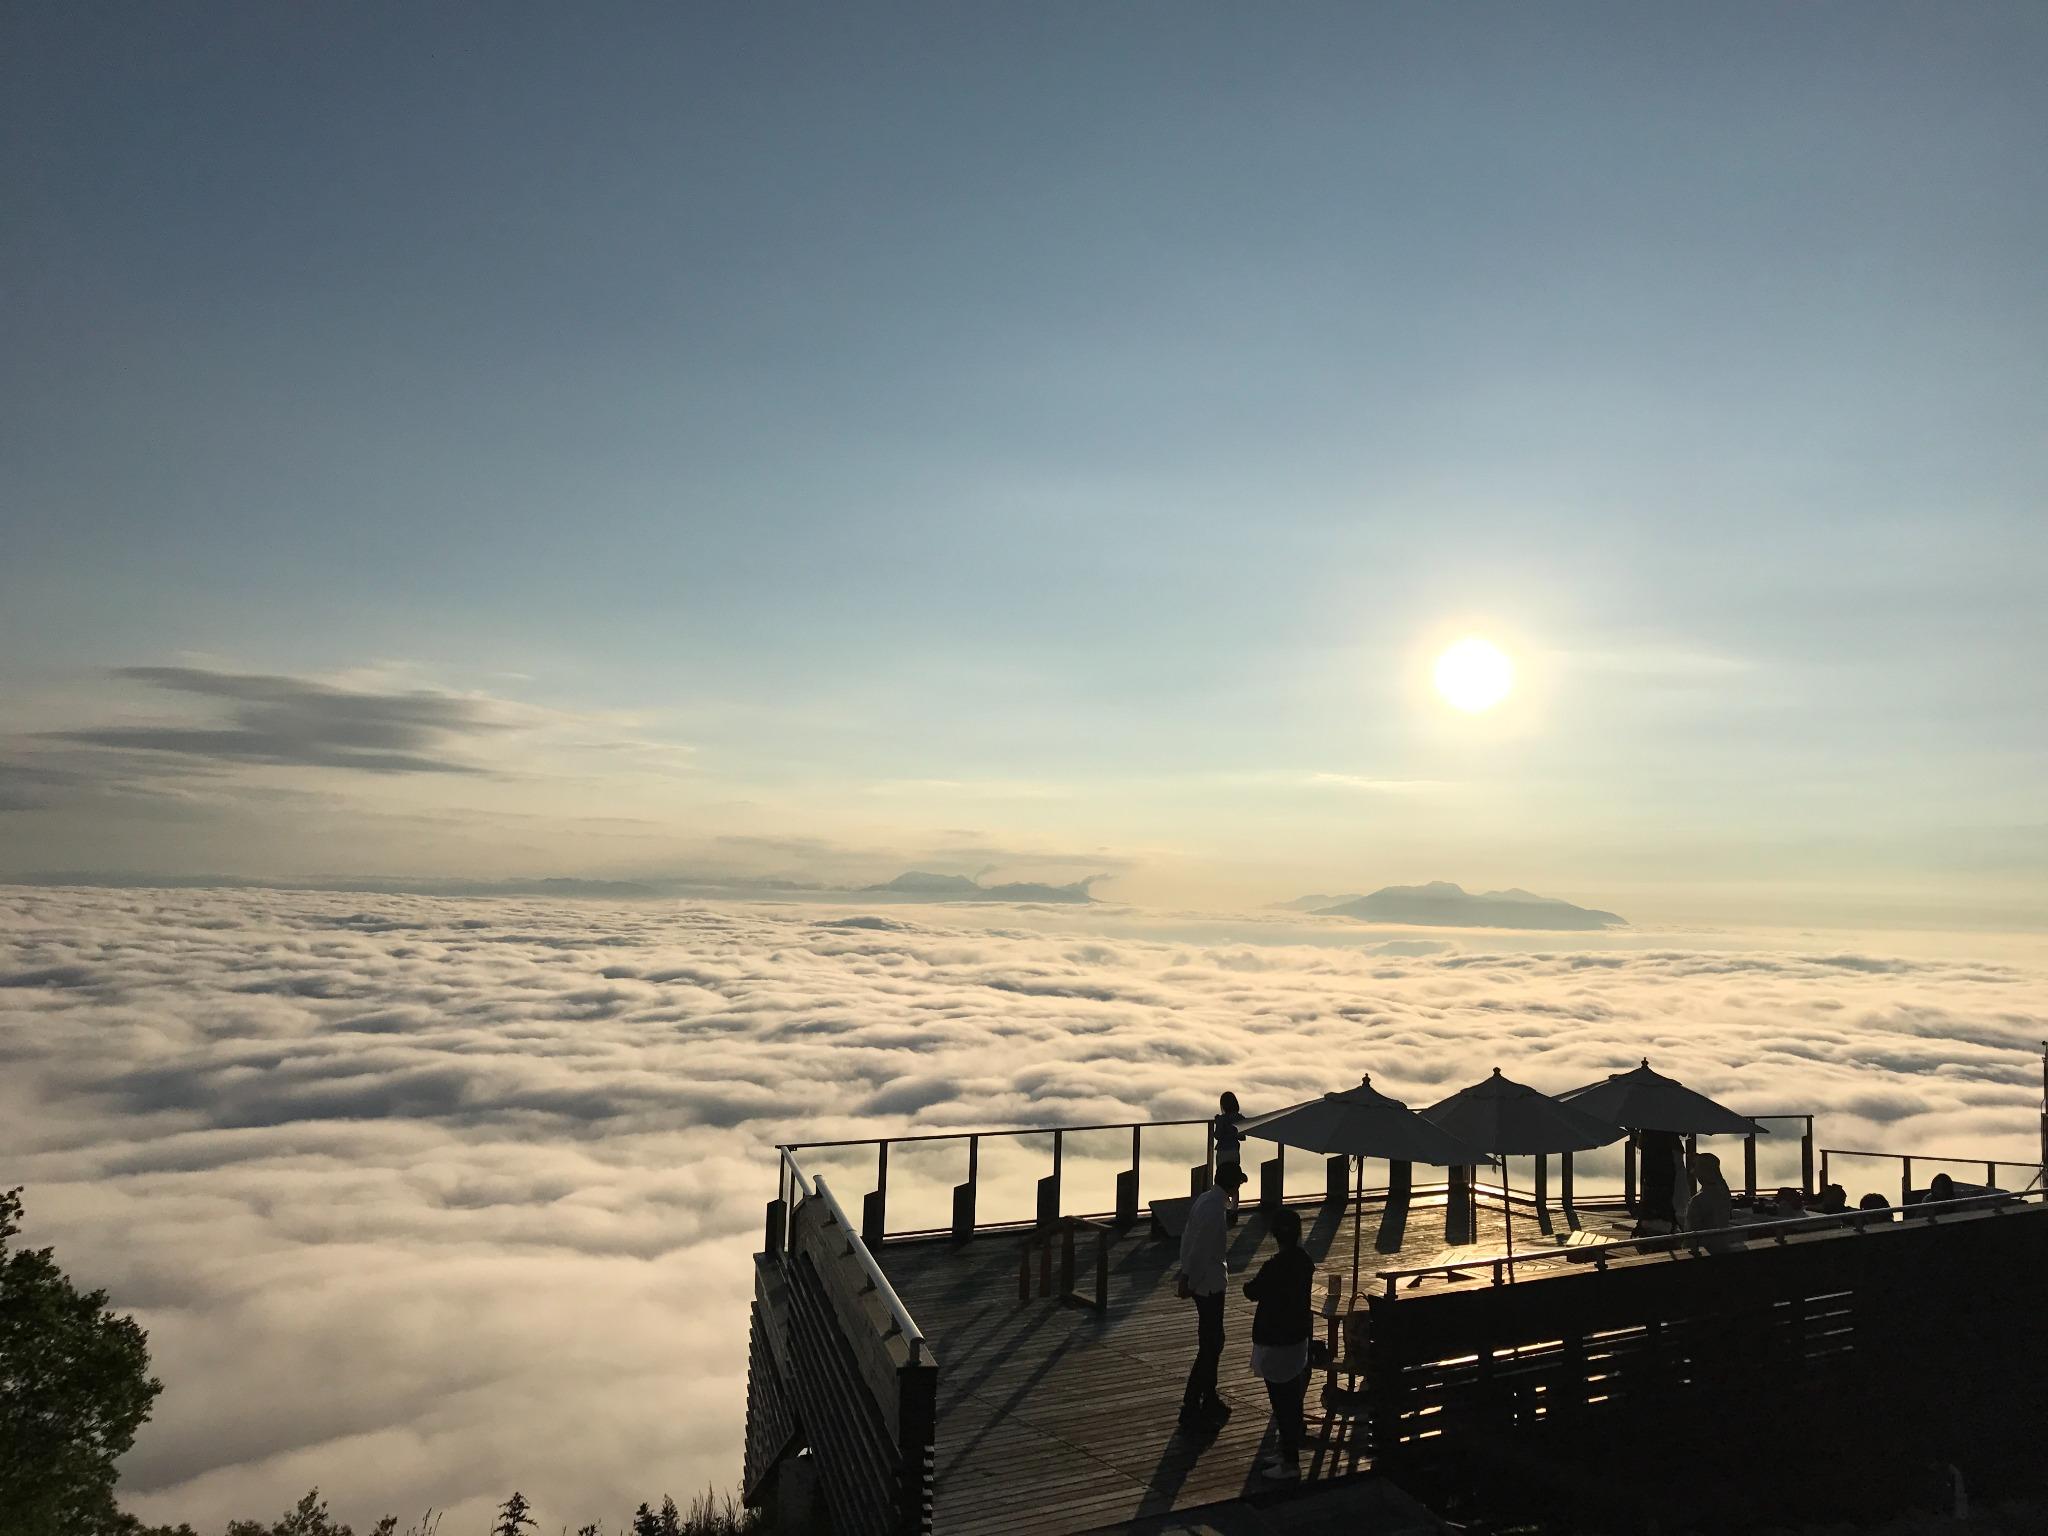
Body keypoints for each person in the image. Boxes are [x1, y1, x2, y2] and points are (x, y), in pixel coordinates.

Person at [1242, 1205, 1314, 1483]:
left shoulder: (1274, 1266)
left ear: (1275, 1235)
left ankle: (1290, 1463)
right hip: (1297, 1339)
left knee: (1281, 1402)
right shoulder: (1304, 1262)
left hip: (1275, 1341)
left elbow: (1252, 1291)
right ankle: (1287, 1451)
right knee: (1291, 1399)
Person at [1178, 1163, 1243, 1430]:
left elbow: (1188, 1241)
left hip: (1205, 1281)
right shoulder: (1215, 1209)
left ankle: (1208, 1396)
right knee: (1211, 1343)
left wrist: (1185, 1274)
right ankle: (1193, 1401)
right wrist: (1190, 1280)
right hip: (1209, 1284)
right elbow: (1201, 1250)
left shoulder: (1206, 1200)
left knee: (1212, 1341)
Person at [1685, 1152, 1735, 1251]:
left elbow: (1691, 1234)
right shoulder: (1724, 1192)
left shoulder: (1698, 1200)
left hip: (1705, 1250)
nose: (1692, 1172)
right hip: (1723, 1245)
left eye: (1695, 1168)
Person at [1213, 1092, 1246, 1210]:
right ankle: (1234, 1208)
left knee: (1222, 1181)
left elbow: (1217, 1136)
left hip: (1222, 1152)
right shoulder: (1240, 1118)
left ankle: (1224, 1207)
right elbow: (1242, 1136)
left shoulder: (1222, 1119)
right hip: (1234, 1152)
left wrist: (1218, 1123)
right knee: (1234, 1179)